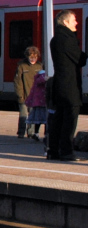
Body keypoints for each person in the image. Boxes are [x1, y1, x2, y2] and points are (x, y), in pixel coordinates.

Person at [47, 9, 86, 161]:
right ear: (65, 22)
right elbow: (80, 59)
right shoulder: (66, 39)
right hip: (69, 86)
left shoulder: (56, 39)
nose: (76, 23)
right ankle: (66, 151)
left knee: (58, 119)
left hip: (60, 85)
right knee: (69, 120)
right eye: (74, 20)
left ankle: (54, 150)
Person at [14, 46, 40, 138]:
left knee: (33, 116)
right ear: (27, 56)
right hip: (24, 95)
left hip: (35, 96)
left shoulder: (39, 66)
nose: (33, 59)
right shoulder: (21, 66)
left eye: (35, 57)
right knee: (23, 115)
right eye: (31, 57)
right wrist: (20, 95)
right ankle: (21, 133)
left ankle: (31, 133)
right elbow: (18, 82)